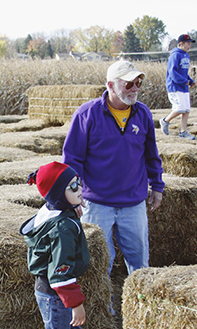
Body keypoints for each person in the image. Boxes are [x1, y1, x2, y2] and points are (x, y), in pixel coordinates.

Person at [62, 60, 164, 313]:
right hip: (97, 204)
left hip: (134, 203)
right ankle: (102, 311)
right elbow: (72, 158)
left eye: (138, 82)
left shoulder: (143, 113)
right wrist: (74, 196)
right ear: (110, 85)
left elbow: (152, 154)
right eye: (128, 83)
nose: (135, 88)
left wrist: (157, 185)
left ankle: (141, 310)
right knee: (100, 262)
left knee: (139, 262)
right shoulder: (87, 114)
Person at [19, 161, 89, 329]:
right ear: (60, 194)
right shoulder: (63, 228)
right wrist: (76, 303)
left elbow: (60, 204)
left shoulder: (53, 210)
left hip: (50, 293)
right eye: (74, 186)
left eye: (79, 183)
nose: (80, 189)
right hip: (55, 295)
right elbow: (61, 271)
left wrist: (72, 205)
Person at [160, 34, 197, 140]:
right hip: (175, 86)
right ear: (181, 44)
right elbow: (173, 72)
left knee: (186, 110)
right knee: (180, 108)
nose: (189, 46)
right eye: (188, 43)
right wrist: (184, 81)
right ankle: (165, 121)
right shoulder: (175, 55)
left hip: (183, 86)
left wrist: (190, 81)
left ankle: (183, 132)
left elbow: (184, 72)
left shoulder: (186, 55)